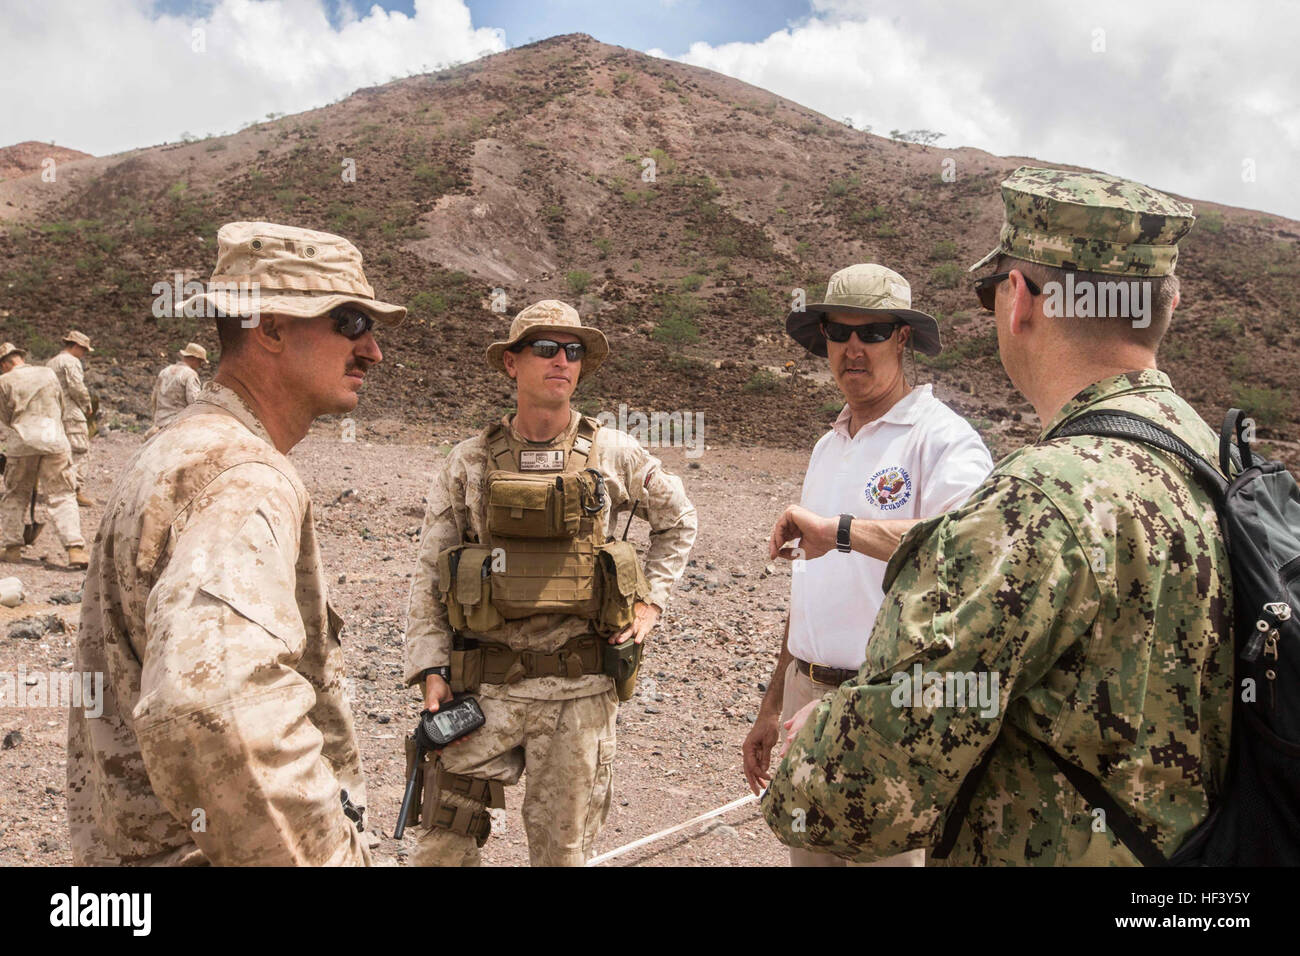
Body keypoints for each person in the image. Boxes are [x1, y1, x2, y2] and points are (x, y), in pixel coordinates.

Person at [761, 166, 1230, 866]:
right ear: (1167, 301)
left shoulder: (1038, 499)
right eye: (838, 330)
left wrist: (805, 764)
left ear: (1017, 300)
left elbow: (871, 777)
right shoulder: (1212, 456)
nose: (853, 346)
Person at [66, 222, 405, 865]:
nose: (373, 352)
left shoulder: (177, 449)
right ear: (270, 328)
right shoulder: (241, 476)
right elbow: (212, 703)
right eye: (352, 322)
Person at [404, 299, 697, 866]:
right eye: (545, 348)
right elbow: (430, 570)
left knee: (562, 856)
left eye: (574, 350)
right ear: (511, 363)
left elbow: (679, 521)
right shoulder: (467, 462)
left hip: (578, 694)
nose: (561, 359)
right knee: (442, 846)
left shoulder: (614, 453)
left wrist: (651, 604)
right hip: (483, 691)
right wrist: (430, 667)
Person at [743, 263, 992, 867]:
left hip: (889, 705)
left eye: (873, 331)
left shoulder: (943, 439)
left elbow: (972, 546)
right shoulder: (828, 445)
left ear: (902, 338)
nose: (853, 349)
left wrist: (843, 532)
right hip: (807, 697)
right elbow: (811, 583)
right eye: (838, 331)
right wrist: (771, 704)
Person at [0, 341, 86, 568]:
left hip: (22, 443)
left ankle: (12, 548)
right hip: (55, 439)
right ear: (20, 358)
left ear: (5, 365)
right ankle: (75, 549)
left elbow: (5, 417)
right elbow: (60, 407)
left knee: (15, 494)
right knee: (63, 494)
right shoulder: (48, 374)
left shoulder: (4, 381)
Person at [45, 330, 96, 507]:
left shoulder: (51, 362)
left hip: (54, 413)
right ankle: (75, 490)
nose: (83, 354)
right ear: (75, 346)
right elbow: (76, 386)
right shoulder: (71, 361)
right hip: (71, 413)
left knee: (59, 453)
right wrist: (87, 405)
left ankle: (56, 489)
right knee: (80, 451)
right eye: (83, 350)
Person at [150, 342, 207, 429]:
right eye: (200, 362)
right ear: (194, 359)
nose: (200, 366)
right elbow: (194, 402)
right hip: (178, 424)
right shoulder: (190, 374)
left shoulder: (165, 371)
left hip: (161, 423)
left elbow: (154, 398)